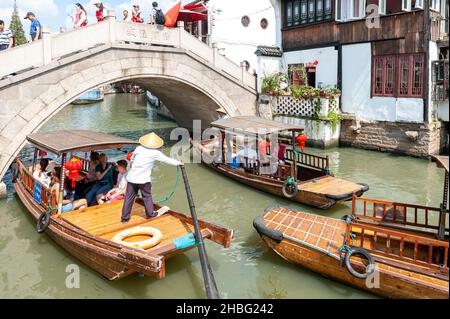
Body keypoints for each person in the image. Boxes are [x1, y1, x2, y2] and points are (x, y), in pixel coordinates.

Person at [121, 132, 182, 223]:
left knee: (129, 198)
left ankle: (124, 218)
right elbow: (167, 160)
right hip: (143, 179)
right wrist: (179, 163)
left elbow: (132, 160)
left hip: (132, 178)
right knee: (147, 196)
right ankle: (150, 214)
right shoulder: (155, 152)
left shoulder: (138, 148)